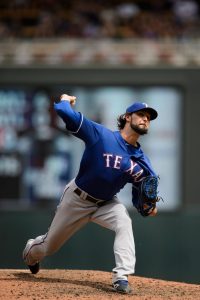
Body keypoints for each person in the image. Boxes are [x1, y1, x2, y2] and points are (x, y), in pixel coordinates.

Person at [23, 93, 159, 294]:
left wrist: (149, 206)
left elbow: (142, 197)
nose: (146, 119)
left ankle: (121, 276)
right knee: (48, 247)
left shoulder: (142, 161)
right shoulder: (101, 135)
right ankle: (30, 252)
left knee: (124, 222)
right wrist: (65, 100)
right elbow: (62, 111)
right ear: (127, 117)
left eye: (149, 117)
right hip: (77, 198)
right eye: (141, 114)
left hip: (106, 203)